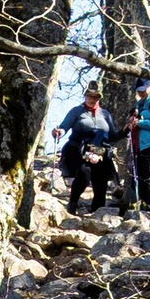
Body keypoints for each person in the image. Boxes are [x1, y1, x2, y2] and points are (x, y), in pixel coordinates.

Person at [56, 83, 118, 212]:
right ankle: (73, 203)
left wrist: (126, 130)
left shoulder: (105, 114)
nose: (92, 99)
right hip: (80, 149)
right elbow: (64, 127)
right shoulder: (77, 111)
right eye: (89, 96)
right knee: (85, 173)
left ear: (99, 98)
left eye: (95, 97)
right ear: (85, 96)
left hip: (101, 151)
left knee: (101, 180)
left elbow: (112, 135)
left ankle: (98, 211)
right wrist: (58, 132)